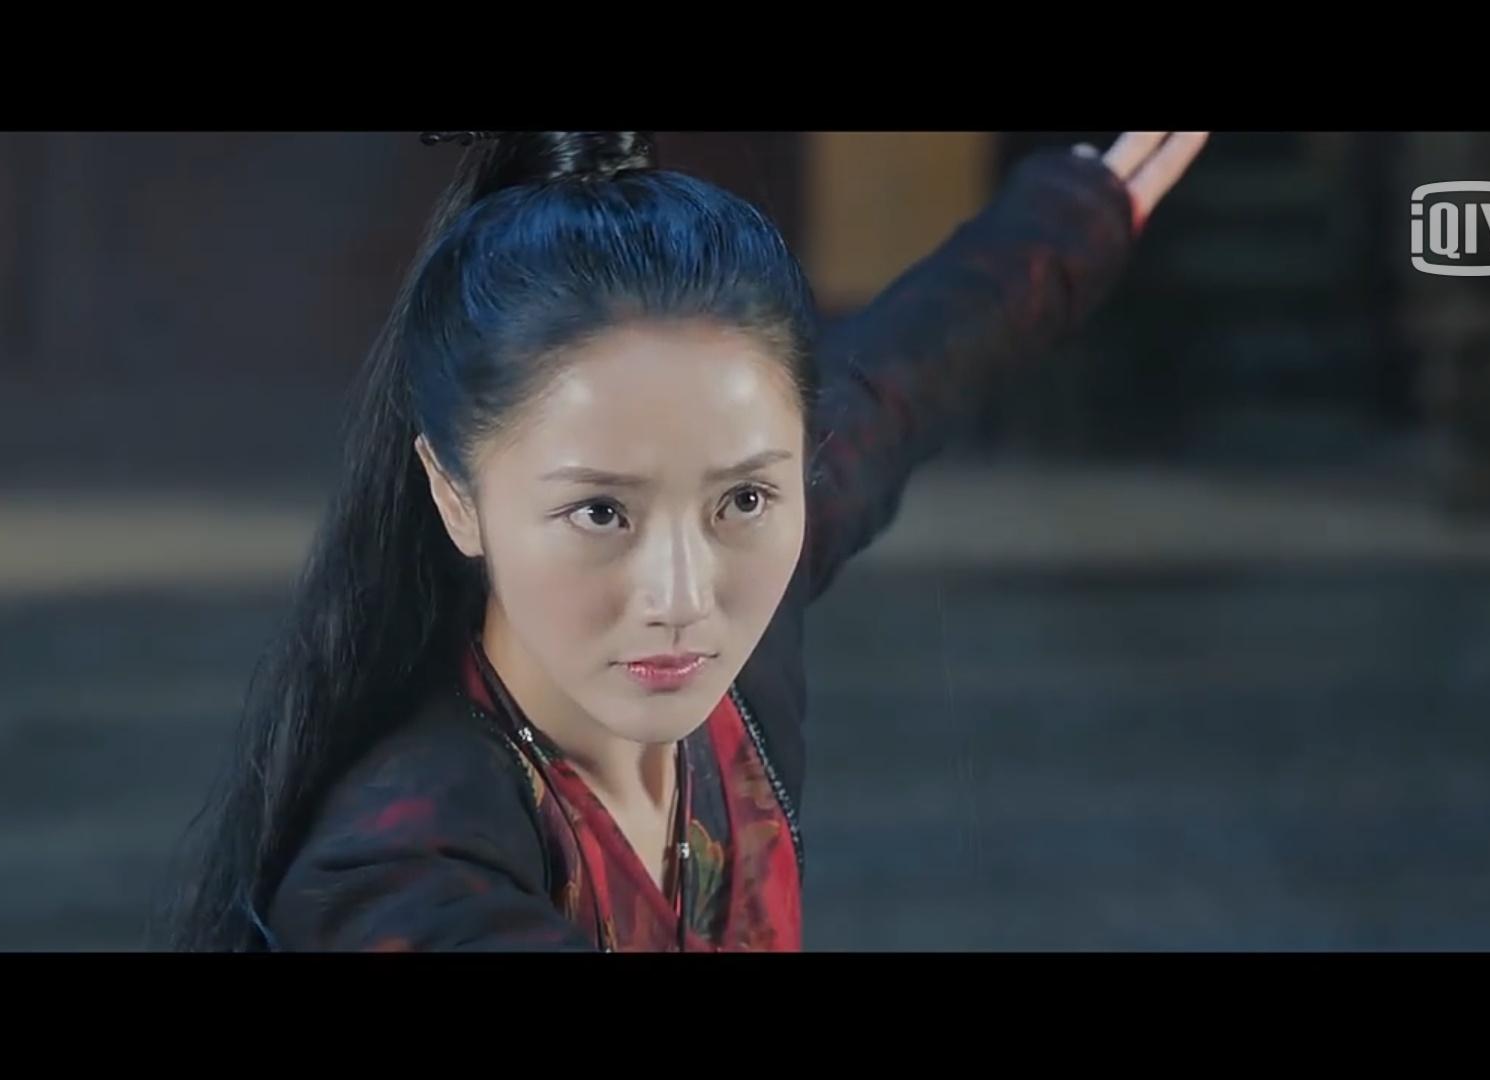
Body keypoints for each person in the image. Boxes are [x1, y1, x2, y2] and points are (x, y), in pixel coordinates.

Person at [166, 129, 1209, 951]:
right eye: (601, 513)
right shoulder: (396, 875)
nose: (682, 596)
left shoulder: (741, 623)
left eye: (741, 500)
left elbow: (908, 373)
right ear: (456, 495)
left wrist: (1081, 208)